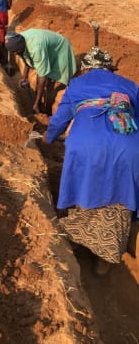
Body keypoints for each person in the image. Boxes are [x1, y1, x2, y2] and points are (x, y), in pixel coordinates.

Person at [43, 45, 139, 276]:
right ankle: (104, 258)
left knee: (83, 188)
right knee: (119, 199)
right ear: (110, 69)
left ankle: (74, 242)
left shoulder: (77, 84)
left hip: (87, 147)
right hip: (128, 148)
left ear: (85, 68)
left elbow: (61, 119)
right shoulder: (131, 86)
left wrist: (48, 138)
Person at [5, 29, 76, 113]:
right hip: (45, 46)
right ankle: (40, 102)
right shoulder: (19, 41)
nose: (15, 54)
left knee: (49, 83)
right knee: (42, 79)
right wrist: (24, 77)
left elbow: (42, 78)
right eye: (13, 52)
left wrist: (36, 103)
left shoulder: (36, 49)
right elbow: (26, 58)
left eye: (16, 51)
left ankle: (47, 110)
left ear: (21, 46)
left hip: (59, 48)